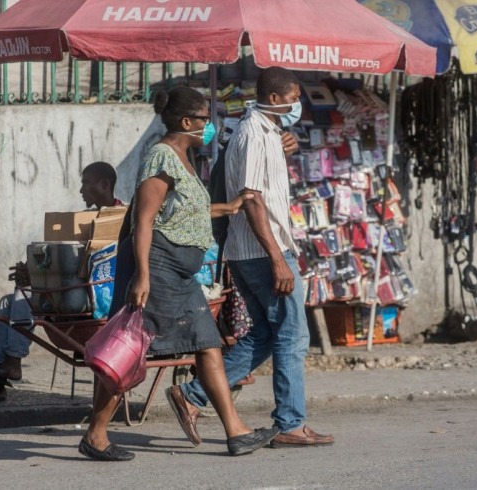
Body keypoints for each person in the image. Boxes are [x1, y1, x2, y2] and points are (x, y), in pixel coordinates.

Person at [78, 86, 279, 462]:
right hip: (159, 267)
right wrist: (141, 276)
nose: (210, 125)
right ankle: (96, 434)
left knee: (209, 345)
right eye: (205, 118)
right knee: (128, 350)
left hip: (182, 274)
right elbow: (143, 220)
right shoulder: (160, 158)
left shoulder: (183, 159)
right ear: (187, 122)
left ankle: (235, 431)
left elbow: (184, 214)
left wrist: (229, 207)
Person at [170, 67, 335, 448]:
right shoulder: (252, 133)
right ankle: (290, 423)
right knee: (293, 335)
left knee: (264, 334)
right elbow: (252, 198)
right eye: (293, 97)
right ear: (275, 99)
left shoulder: (264, 132)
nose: (297, 105)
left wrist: (282, 145)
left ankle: (193, 395)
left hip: (254, 251)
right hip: (262, 251)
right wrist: (277, 258)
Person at [0, 162, 122, 401]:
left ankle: (12, 361)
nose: (81, 189)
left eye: (86, 183)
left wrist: (38, 278)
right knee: (6, 304)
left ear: (104, 185)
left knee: (25, 296)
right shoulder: (81, 221)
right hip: (74, 289)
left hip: (95, 296)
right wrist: (34, 272)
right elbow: (66, 264)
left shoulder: (120, 219)